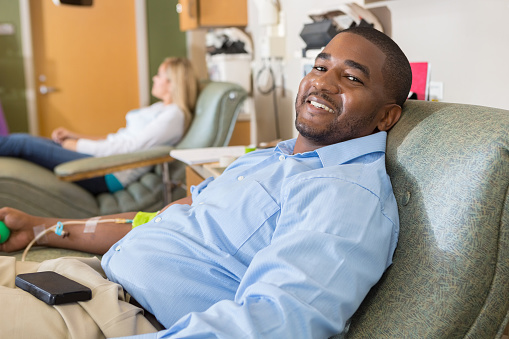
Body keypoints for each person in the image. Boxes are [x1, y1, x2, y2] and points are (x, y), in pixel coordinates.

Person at [0, 27, 412, 338]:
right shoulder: (272, 157)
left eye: (352, 78)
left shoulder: (343, 193)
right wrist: (44, 228)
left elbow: (276, 323)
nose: (323, 81)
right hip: (80, 279)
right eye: (320, 66)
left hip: (118, 320)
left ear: (387, 117)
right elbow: (165, 218)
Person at [0, 57, 199, 194]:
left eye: (159, 74)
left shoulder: (174, 116)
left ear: (173, 83)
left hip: (109, 172)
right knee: (26, 139)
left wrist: (76, 145)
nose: (154, 78)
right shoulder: (161, 108)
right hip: (103, 158)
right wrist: (76, 136)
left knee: (22, 144)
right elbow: (118, 138)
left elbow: (130, 148)